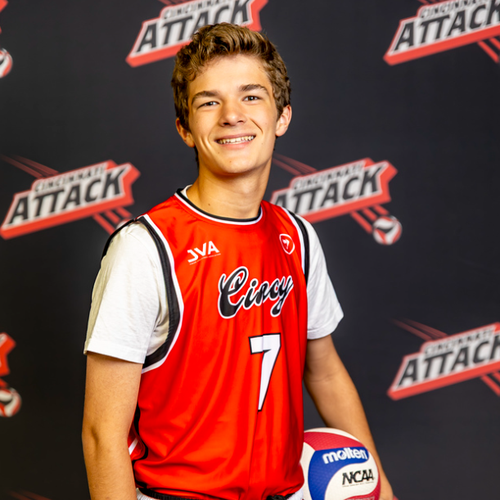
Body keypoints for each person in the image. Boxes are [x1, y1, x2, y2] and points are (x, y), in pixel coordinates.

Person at [82, 23, 393, 500]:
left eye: (251, 97)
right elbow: (102, 434)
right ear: (186, 129)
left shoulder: (297, 238)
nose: (232, 115)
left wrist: (382, 489)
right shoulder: (146, 247)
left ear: (282, 116)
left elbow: (325, 372)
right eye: (209, 102)